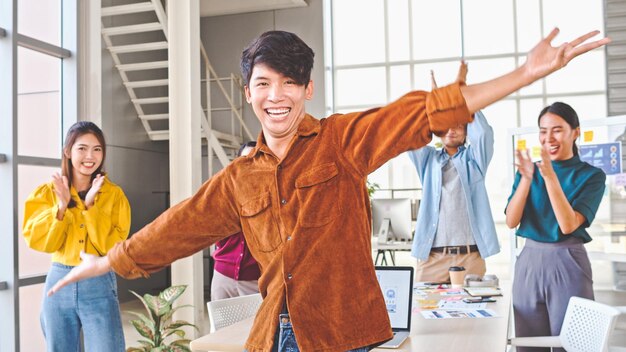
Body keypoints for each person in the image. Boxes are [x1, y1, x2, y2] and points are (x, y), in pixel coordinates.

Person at [48, 29, 609, 351]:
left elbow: (418, 115)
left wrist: (524, 74)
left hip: (345, 332)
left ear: (307, 89)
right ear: (247, 94)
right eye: (264, 83)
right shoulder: (240, 176)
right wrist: (105, 262)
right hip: (277, 335)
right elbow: (180, 225)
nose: (277, 96)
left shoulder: (341, 140)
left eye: (290, 83)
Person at [505, 102, 606, 352]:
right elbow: (511, 220)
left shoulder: (591, 176)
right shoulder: (529, 171)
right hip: (529, 261)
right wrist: (527, 179)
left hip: (568, 261)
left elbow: (568, 223)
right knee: (528, 344)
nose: (549, 137)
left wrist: (549, 176)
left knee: (573, 344)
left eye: (557, 130)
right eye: (543, 130)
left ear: (576, 132)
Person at [22, 121, 130, 352]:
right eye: (82, 148)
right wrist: (60, 208)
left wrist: (90, 205)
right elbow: (40, 241)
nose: (90, 156)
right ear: (67, 151)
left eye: (97, 149)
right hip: (58, 282)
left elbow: (111, 247)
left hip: (99, 282)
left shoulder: (114, 195)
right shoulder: (47, 192)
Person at [409, 61, 499, 282]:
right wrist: (435, 102)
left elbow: (484, 134)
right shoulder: (428, 160)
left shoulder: (475, 160)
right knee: (424, 314)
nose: (452, 129)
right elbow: (412, 137)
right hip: (433, 258)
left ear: (467, 129)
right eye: (446, 124)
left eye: (459, 124)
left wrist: (462, 97)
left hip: (470, 257)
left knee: (473, 315)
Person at [211, 141, 261, 300]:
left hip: (255, 279)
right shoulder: (225, 192)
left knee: (256, 325)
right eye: (244, 158)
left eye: (254, 158)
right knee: (221, 325)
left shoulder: (272, 194)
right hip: (222, 275)